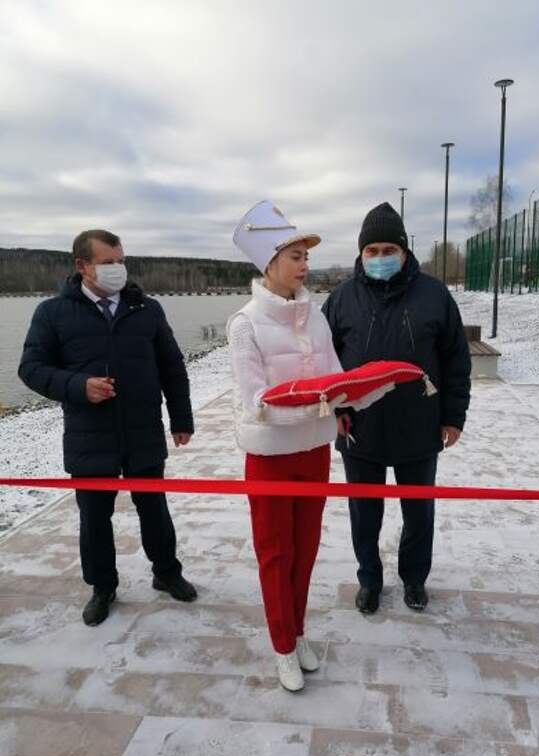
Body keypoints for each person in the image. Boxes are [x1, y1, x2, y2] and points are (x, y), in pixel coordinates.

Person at [228, 200, 385, 692]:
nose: (304, 265)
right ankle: (282, 646)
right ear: (269, 262)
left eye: (306, 257)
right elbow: (254, 403)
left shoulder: (314, 316)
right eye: (295, 256)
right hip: (270, 458)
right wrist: (318, 407)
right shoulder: (244, 324)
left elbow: (335, 377)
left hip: (314, 452)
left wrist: (364, 390)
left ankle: (297, 633)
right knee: (276, 554)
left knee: (307, 549)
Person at [18, 229, 197, 626]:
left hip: (143, 430)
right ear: (82, 266)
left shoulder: (147, 309)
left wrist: (182, 418)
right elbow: (31, 368)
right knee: (94, 518)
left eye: (121, 260)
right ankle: (102, 587)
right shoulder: (52, 313)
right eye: (108, 262)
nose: (118, 269)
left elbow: (172, 367)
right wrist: (78, 386)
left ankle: (167, 572)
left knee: (154, 509)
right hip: (88, 436)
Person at [323, 202, 471, 615]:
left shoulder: (434, 295)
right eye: (372, 250)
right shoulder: (341, 299)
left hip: (419, 427)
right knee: (364, 515)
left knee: (419, 513)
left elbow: (456, 360)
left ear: (404, 251)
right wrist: (335, 411)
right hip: (359, 428)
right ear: (361, 254)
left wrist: (453, 417)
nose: (380, 257)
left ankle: (414, 579)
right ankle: (369, 580)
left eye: (389, 249)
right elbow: (322, 363)